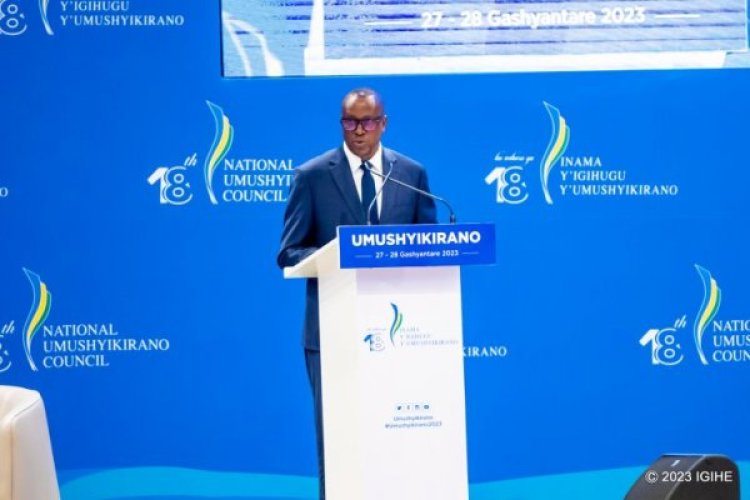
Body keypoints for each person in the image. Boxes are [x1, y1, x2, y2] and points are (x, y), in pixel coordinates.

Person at [276, 87, 437, 499]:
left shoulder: (411, 174)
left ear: (384, 124)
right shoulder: (312, 175)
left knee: (396, 441)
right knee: (339, 441)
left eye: (367, 122)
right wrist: (340, 254)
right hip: (333, 334)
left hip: (401, 333)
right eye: (350, 122)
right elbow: (289, 251)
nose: (359, 130)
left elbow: (430, 247)